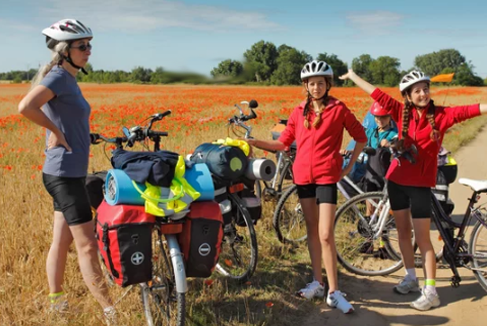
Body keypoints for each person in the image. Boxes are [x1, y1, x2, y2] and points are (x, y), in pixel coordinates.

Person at [340, 69, 487, 311]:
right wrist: (353, 75)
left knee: (423, 239)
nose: (423, 93)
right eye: (417, 90)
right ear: (407, 96)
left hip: (420, 186)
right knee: (402, 234)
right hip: (396, 181)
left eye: (425, 88)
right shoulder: (400, 111)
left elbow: (470, 110)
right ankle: (410, 276)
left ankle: (431, 291)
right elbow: (376, 93)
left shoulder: (441, 115)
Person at [247, 60, 367, 314]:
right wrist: (255, 142)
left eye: (320, 83)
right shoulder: (298, 111)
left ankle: (334, 292)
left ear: (328, 85)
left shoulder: (338, 109)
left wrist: (348, 166)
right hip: (302, 178)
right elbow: (284, 144)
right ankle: (318, 282)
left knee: (325, 234)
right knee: (312, 231)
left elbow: (360, 137)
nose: (316, 87)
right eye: (311, 84)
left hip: (326, 177)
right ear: (305, 86)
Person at [18, 19, 115, 322]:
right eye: (82, 46)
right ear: (64, 51)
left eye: (89, 44)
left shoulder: (68, 78)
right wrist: (55, 132)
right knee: (87, 245)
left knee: (61, 240)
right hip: (64, 174)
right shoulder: (59, 77)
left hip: (64, 171)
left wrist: (80, 134)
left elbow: (64, 116)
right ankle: (111, 310)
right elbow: (25, 107)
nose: (88, 50)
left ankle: (56, 301)